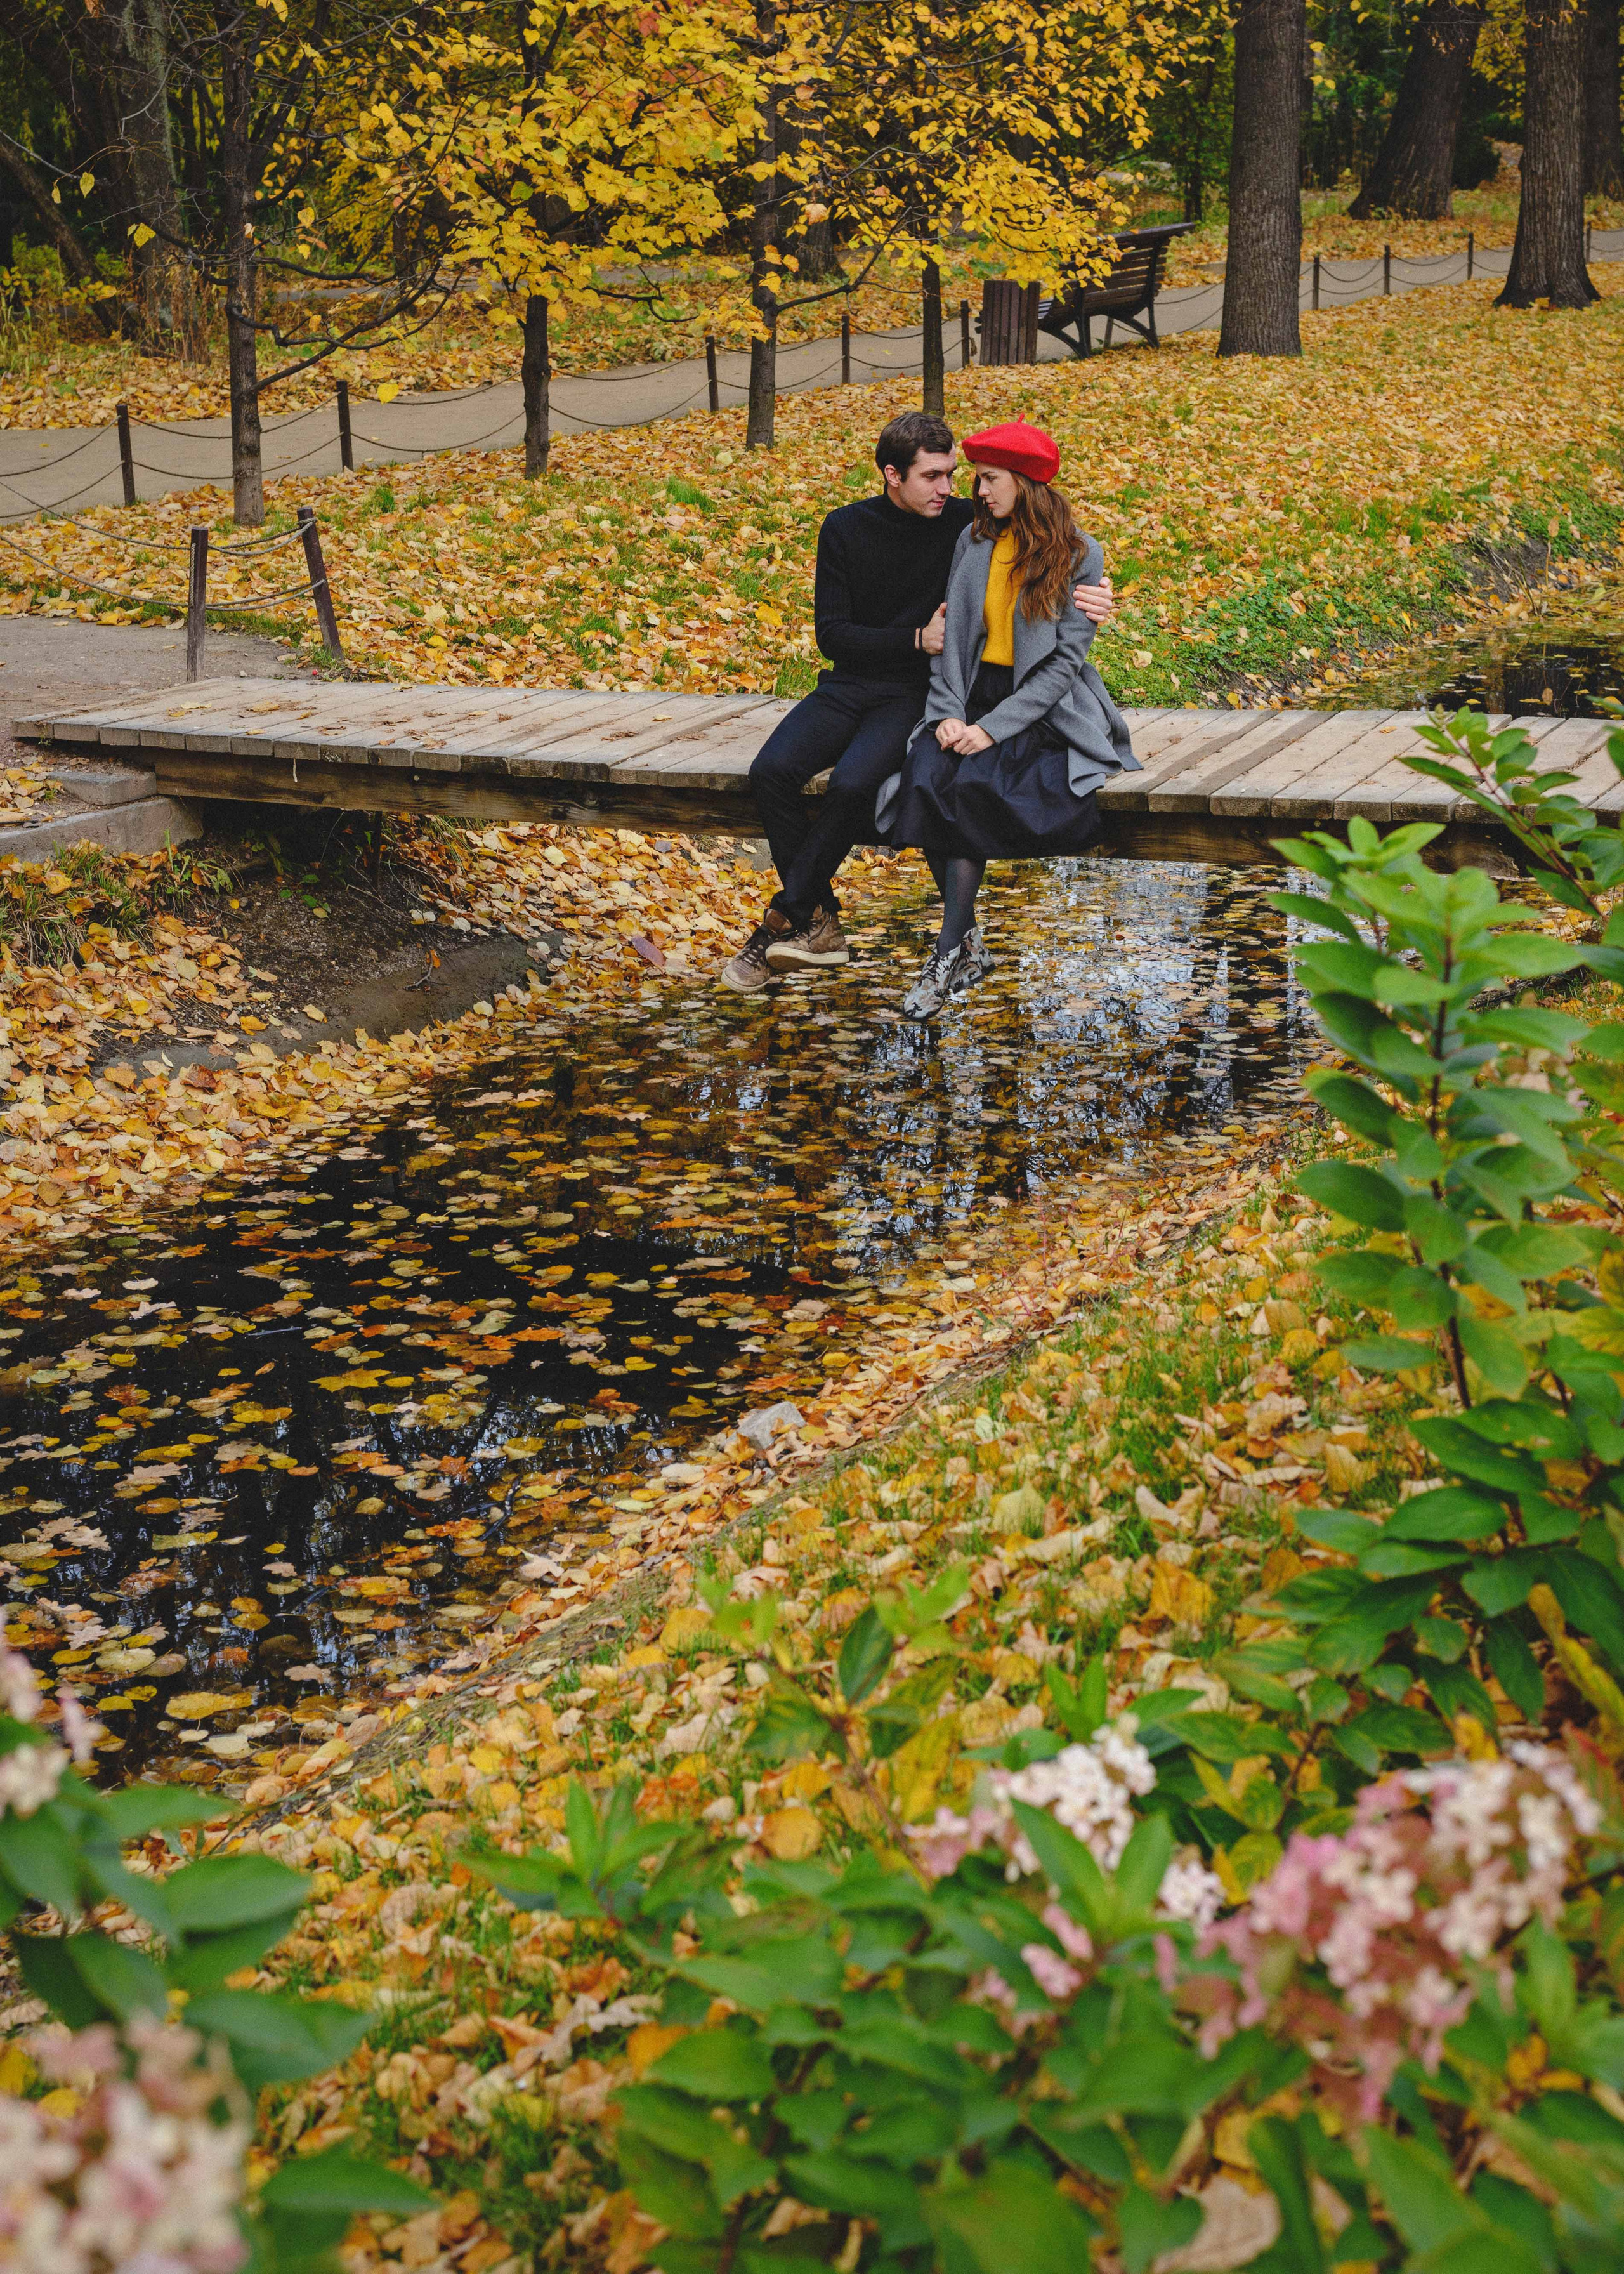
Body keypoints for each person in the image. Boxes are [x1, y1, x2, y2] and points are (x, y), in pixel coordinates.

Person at [719, 411, 1115, 994]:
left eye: (959, 476)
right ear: (892, 476)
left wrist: (1099, 598)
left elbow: (1054, 555)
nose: (952, 490)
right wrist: (916, 644)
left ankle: (789, 917)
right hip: (857, 683)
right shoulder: (856, 529)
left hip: (916, 692)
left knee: (858, 785)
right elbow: (832, 634)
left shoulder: (970, 524)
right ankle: (814, 917)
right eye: (934, 477)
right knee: (771, 772)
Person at [875, 417, 1139, 1020]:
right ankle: (968, 943)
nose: (980, 491)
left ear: (1025, 483)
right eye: (977, 479)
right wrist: (945, 714)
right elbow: (953, 642)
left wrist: (991, 729)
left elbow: (1061, 668)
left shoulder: (1079, 554)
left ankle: (947, 955)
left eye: (991, 479)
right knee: (922, 774)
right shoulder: (972, 542)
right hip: (967, 693)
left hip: (1040, 707)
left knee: (973, 786)